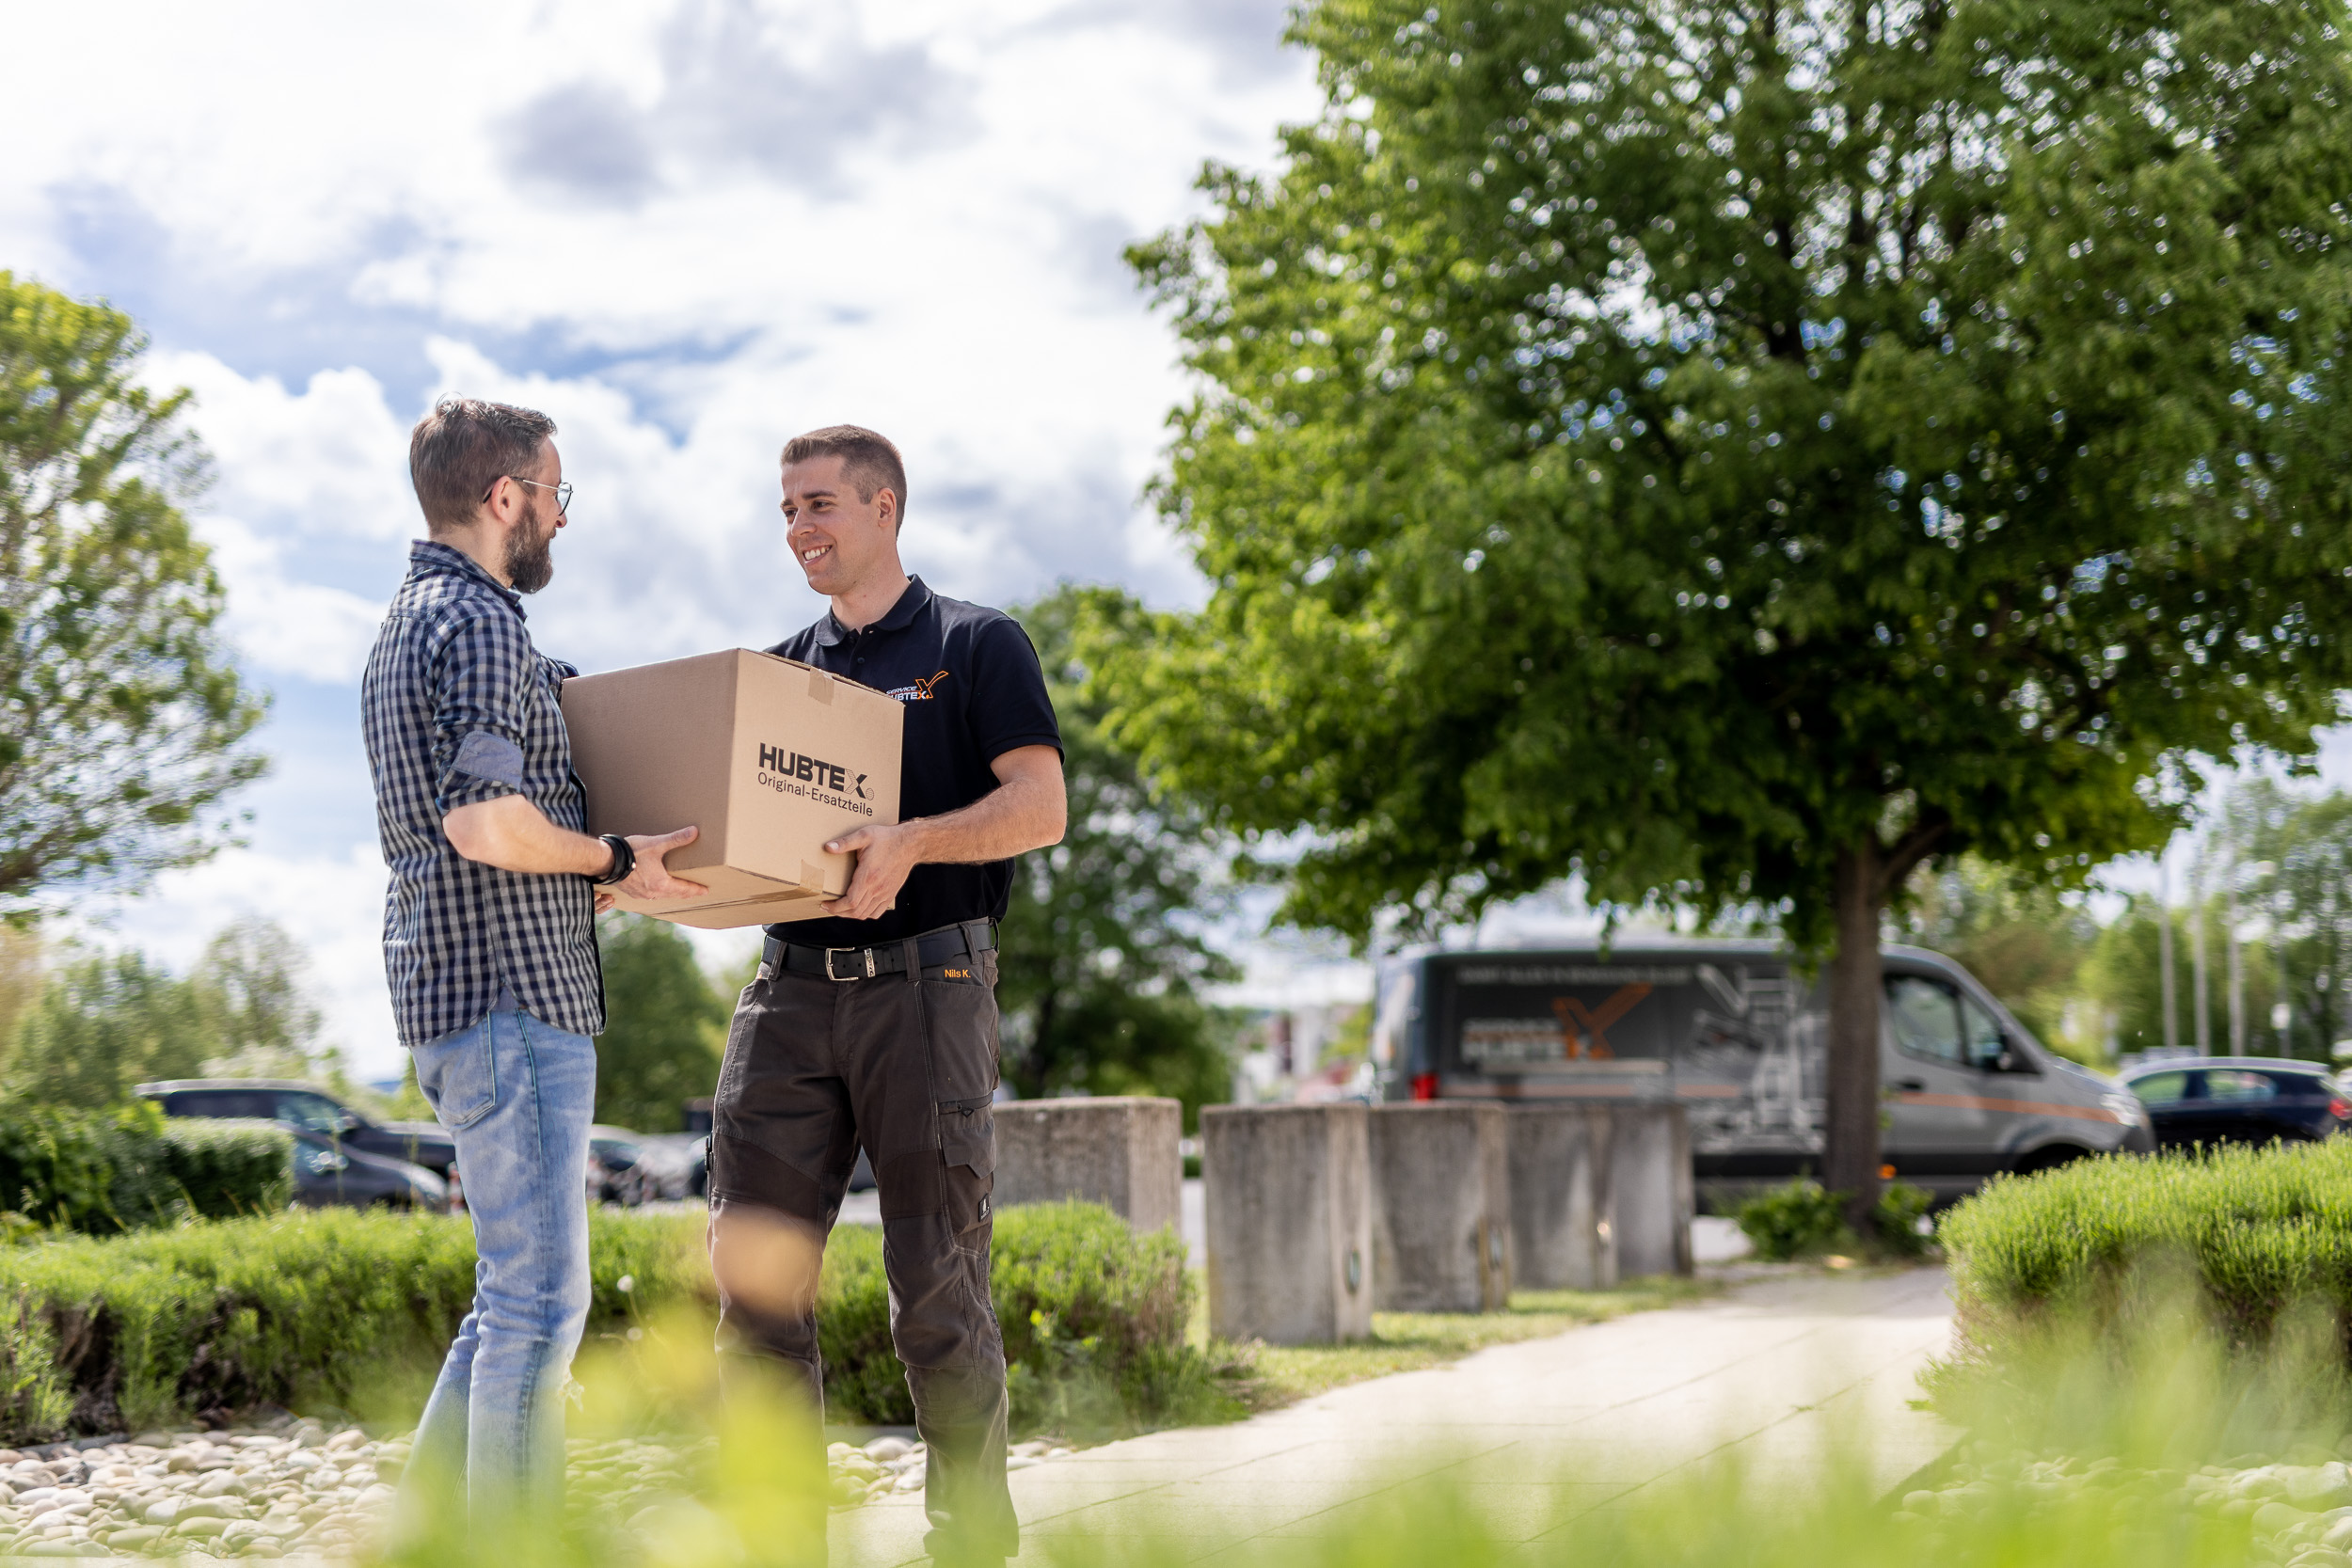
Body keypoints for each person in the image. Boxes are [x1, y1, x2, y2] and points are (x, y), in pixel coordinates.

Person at [707, 425, 1066, 1567]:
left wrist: (913, 842)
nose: (799, 527)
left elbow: (1041, 806)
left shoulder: (975, 644)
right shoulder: (780, 676)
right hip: (788, 991)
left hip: (928, 985)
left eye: (818, 504)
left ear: (883, 508)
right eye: (786, 510)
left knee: (937, 1284)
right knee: (752, 1279)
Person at [362, 396, 704, 1520]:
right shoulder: (482, 624)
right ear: (505, 496)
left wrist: (598, 865)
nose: (562, 516)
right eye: (556, 493)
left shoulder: (407, 622)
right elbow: (484, 820)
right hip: (512, 997)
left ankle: (423, 1539)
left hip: (452, 992)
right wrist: (612, 853)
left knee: (504, 1300)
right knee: (542, 1308)